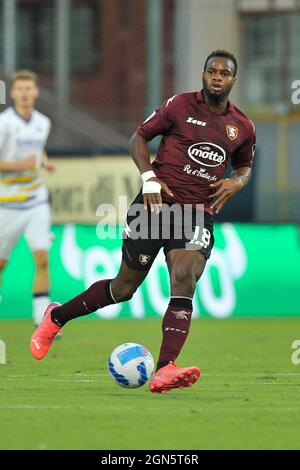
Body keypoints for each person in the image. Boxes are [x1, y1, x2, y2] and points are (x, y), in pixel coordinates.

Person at [31, 50, 255, 394]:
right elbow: (138, 137)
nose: (217, 77)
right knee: (123, 288)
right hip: (154, 206)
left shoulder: (242, 127)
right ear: (203, 74)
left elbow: (243, 167)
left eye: (225, 73)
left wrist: (237, 181)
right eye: (212, 70)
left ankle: (165, 368)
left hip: (196, 212)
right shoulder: (179, 106)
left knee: (185, 279)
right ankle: (56, 318)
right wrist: (149, 176)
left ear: (233, 81)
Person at [0, 70, 55, 327]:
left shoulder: (43, 122)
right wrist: (18, 164)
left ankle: (42, 319)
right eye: (19, 89)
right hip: (6, 204)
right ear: (12, 93)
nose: (24, 93)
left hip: (35, 201)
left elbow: (37, 147)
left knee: (42, 258)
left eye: (28, 88)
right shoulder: (4, 124)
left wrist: (44, 162)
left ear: (35, 92)